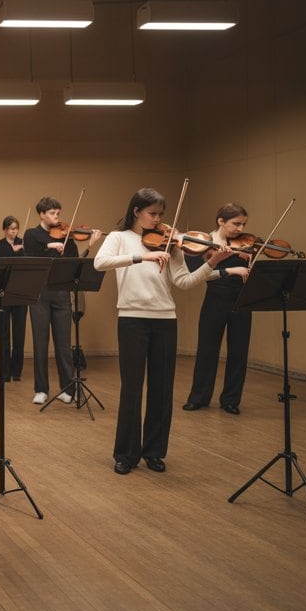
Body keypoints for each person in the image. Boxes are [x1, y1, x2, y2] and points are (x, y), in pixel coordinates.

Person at [94, 187, 230, 475]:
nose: (158, 221)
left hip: (166, 319)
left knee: (162, 388)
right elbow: (99, 263)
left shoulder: (171, 243)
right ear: (136, 211)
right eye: (152, 214)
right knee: (132, 388)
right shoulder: (119, 238)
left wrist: (211, 263)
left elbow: (183, 282)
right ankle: (125, 454)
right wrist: (139, 258)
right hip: (131, 319)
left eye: (160, 215)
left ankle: (154, 452)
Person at [23, 197, 102, 405]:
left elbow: (75, 264)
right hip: (39, 294)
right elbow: (30, 257)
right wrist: (50, 245)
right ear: (41, 214)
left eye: (58, 213)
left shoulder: (67, 237)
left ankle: (68, 388)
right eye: (52, 213)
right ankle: (41, 389)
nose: (56, 217)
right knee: (40, 344)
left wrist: (91, 245)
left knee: (64, 345)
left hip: (61, 294)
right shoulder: (32, 235)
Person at [183, 203, 254, 414]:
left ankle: (231, 400)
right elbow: (200, 276)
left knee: (239, 352)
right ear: (221, 221)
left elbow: (250, 273)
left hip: (242, 299)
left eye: (243, 224)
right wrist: (230, 269)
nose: (240, 229)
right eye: (236, 224)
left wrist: (250, 261)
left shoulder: (244, 244)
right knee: (207, 349)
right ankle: (199, 398)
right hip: (215, 298)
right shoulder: (203, 243)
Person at [0, 215, 27, 383]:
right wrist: (12, 251)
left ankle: (16, 372)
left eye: (16, 228)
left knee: (19, 337)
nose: (14, 231)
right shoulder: (0, 245)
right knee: (4, 337)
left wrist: (21, 250)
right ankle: (4, 373)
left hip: (20, 294)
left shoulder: (23, 243)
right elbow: (0, 264)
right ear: (5, 230)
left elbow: (28, 263)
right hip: (3, 295)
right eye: (11, 228)